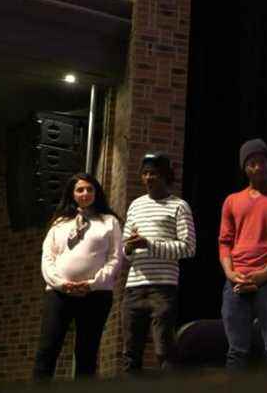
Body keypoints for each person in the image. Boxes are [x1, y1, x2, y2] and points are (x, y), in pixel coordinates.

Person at [34, 173, 123, 380]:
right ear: (72, 194)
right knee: (47, 350)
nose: (85, 193)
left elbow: (115, 258)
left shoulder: (109, 222)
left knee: (87, 354)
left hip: (96, 295)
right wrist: (61, 284)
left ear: (97, 193)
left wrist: (92, 284)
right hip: (59, 294)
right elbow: (48, 258)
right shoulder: (59, 224)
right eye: (80, 190)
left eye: (90, 189)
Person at [219, 139, 267, 370]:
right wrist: (231, 274)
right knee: (236, 350)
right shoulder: (232, 200)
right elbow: (224, 241)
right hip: (237, 280)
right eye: (252, 163)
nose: (258, 167)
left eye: (262, 161)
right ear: (245, 167)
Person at [121, 152, 196, 373]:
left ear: (165, 176)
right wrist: (130, 246)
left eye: (153, 173)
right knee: (130, 353)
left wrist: (150, 244)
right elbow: (125, 250)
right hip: (133, 289)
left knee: (164, 351)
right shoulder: (135, 205)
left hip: (163, 289)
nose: (148, 178)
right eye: (144, 173)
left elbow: (188, 248)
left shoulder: (179, 206)